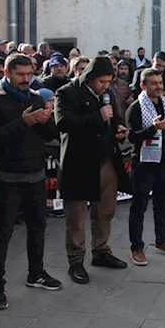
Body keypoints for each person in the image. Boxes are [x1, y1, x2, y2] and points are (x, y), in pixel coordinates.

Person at [0, 54, 62, 311]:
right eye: (20, 75)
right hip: (6, 177)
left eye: (29, 74)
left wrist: (46, 122)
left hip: (35, 174)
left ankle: (36, 273)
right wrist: (23, 122)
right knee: (1, 234)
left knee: (37, 228)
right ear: (7, 73)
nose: (26, 79)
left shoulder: (35, 97)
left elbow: (49, 135)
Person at [55, 57, 129, 284]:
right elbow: (63, 122)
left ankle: (101, 251)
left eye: (108, 81)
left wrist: (118, 127)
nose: (105, 86)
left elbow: (114, 117)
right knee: (76, 217)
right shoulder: (66, 93)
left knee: (105, 211)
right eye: (101, 81)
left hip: (105, 161)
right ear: (89, 77)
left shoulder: (107, 94)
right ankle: (76, 261)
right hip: (79, 164)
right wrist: (98, 116)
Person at [126, 68, 165, 266]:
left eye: (160, 82)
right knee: (139, 207)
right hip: (143, 165)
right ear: (143, 86)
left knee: (162, 205)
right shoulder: (135, 108)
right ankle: (137, 247)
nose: (159, 86)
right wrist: (152, 128)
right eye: (153, 83)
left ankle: (162, 240)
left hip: (164, 163)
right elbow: (132, 137)